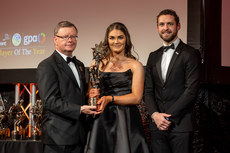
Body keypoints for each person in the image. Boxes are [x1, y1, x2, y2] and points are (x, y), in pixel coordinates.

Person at [85, 22, 150, 153]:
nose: (116, 41)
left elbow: (137, 98)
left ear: (126, 39)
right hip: (101, 118)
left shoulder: (135, 65)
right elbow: (89, 93)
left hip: (126, 118)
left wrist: (110, 98)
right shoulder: (96, 64)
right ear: (107, 40)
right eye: (112, 38)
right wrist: (91, 94)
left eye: (120, 37)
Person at [144, 9, 201, 153]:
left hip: (180, 125)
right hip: (157, 126)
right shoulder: (153, 56)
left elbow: (191, 91)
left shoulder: (191, 54)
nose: (165, 28)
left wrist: (167, 118)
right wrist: (155, 115)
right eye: (162, 24)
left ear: (178, 26)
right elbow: (148, 90)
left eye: (170, 24)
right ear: (157, 28)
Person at [36, 21, 97, 153]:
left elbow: (76, 94)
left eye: (73, 36)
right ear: (55, 39)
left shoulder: (80, 65)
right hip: (58, 138)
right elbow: (50, 101)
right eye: (65, 37)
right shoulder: (46, 66)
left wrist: (90, 95)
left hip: (79, 136)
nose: (70, 40)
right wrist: (80, 109)